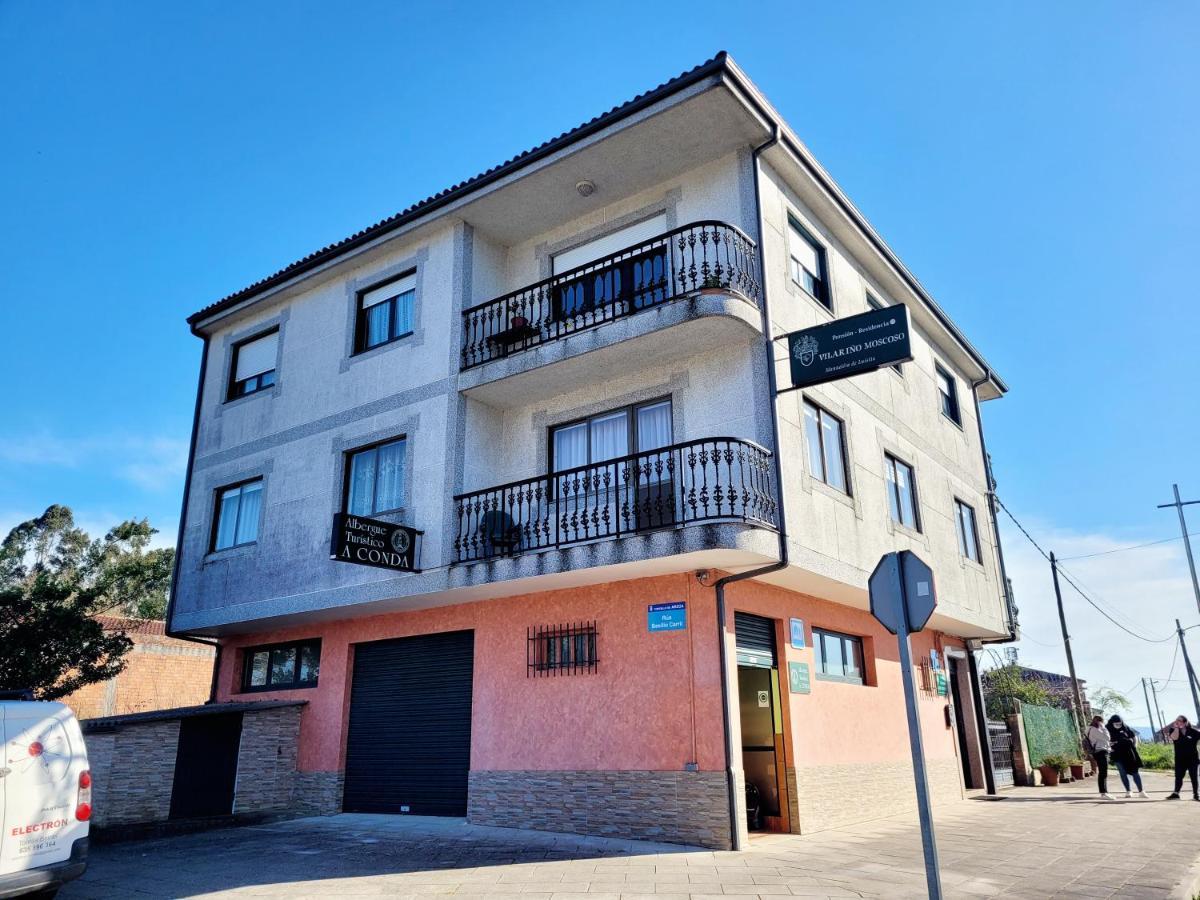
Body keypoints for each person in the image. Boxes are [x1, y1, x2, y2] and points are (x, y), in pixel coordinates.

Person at [1107, 715, 1149, 798]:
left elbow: (1134, 737)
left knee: (1135, 772)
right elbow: (1104, 740)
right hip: (1117, 754)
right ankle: (1128, 791)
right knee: (1122, 772)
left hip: (1129, 753)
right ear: (1112, 723)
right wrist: (1109, 747)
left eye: (1120, 724)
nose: (1118, 725)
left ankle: (1141, 791)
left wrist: (1134, 746)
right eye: (1116, 724)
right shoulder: (1107, 729)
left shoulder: (1125, 727)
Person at [1165, 714, 1200, 800]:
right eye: (1176, 720)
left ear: (1185, 723)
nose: (1177, 722)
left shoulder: (1193, 732)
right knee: (1178, 776)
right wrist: (1177, 728)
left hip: (1193, 758)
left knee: (1194, 777)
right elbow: (1174, 738)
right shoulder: (1173, 730)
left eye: (1179, 720)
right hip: (1180, 758)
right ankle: (1176, 793)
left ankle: (1196, 794)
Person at [1085, 715, 1115, 800]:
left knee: (1103, 772)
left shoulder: (1089, 729)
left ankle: (1104, 792)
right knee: (1103, 772)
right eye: (1102, 721)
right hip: (1101, 751)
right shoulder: (1095, 730)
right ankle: (1103, 793)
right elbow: (1107, 737)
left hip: (1098, 751)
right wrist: (1103, 727)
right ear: (1099, 721)